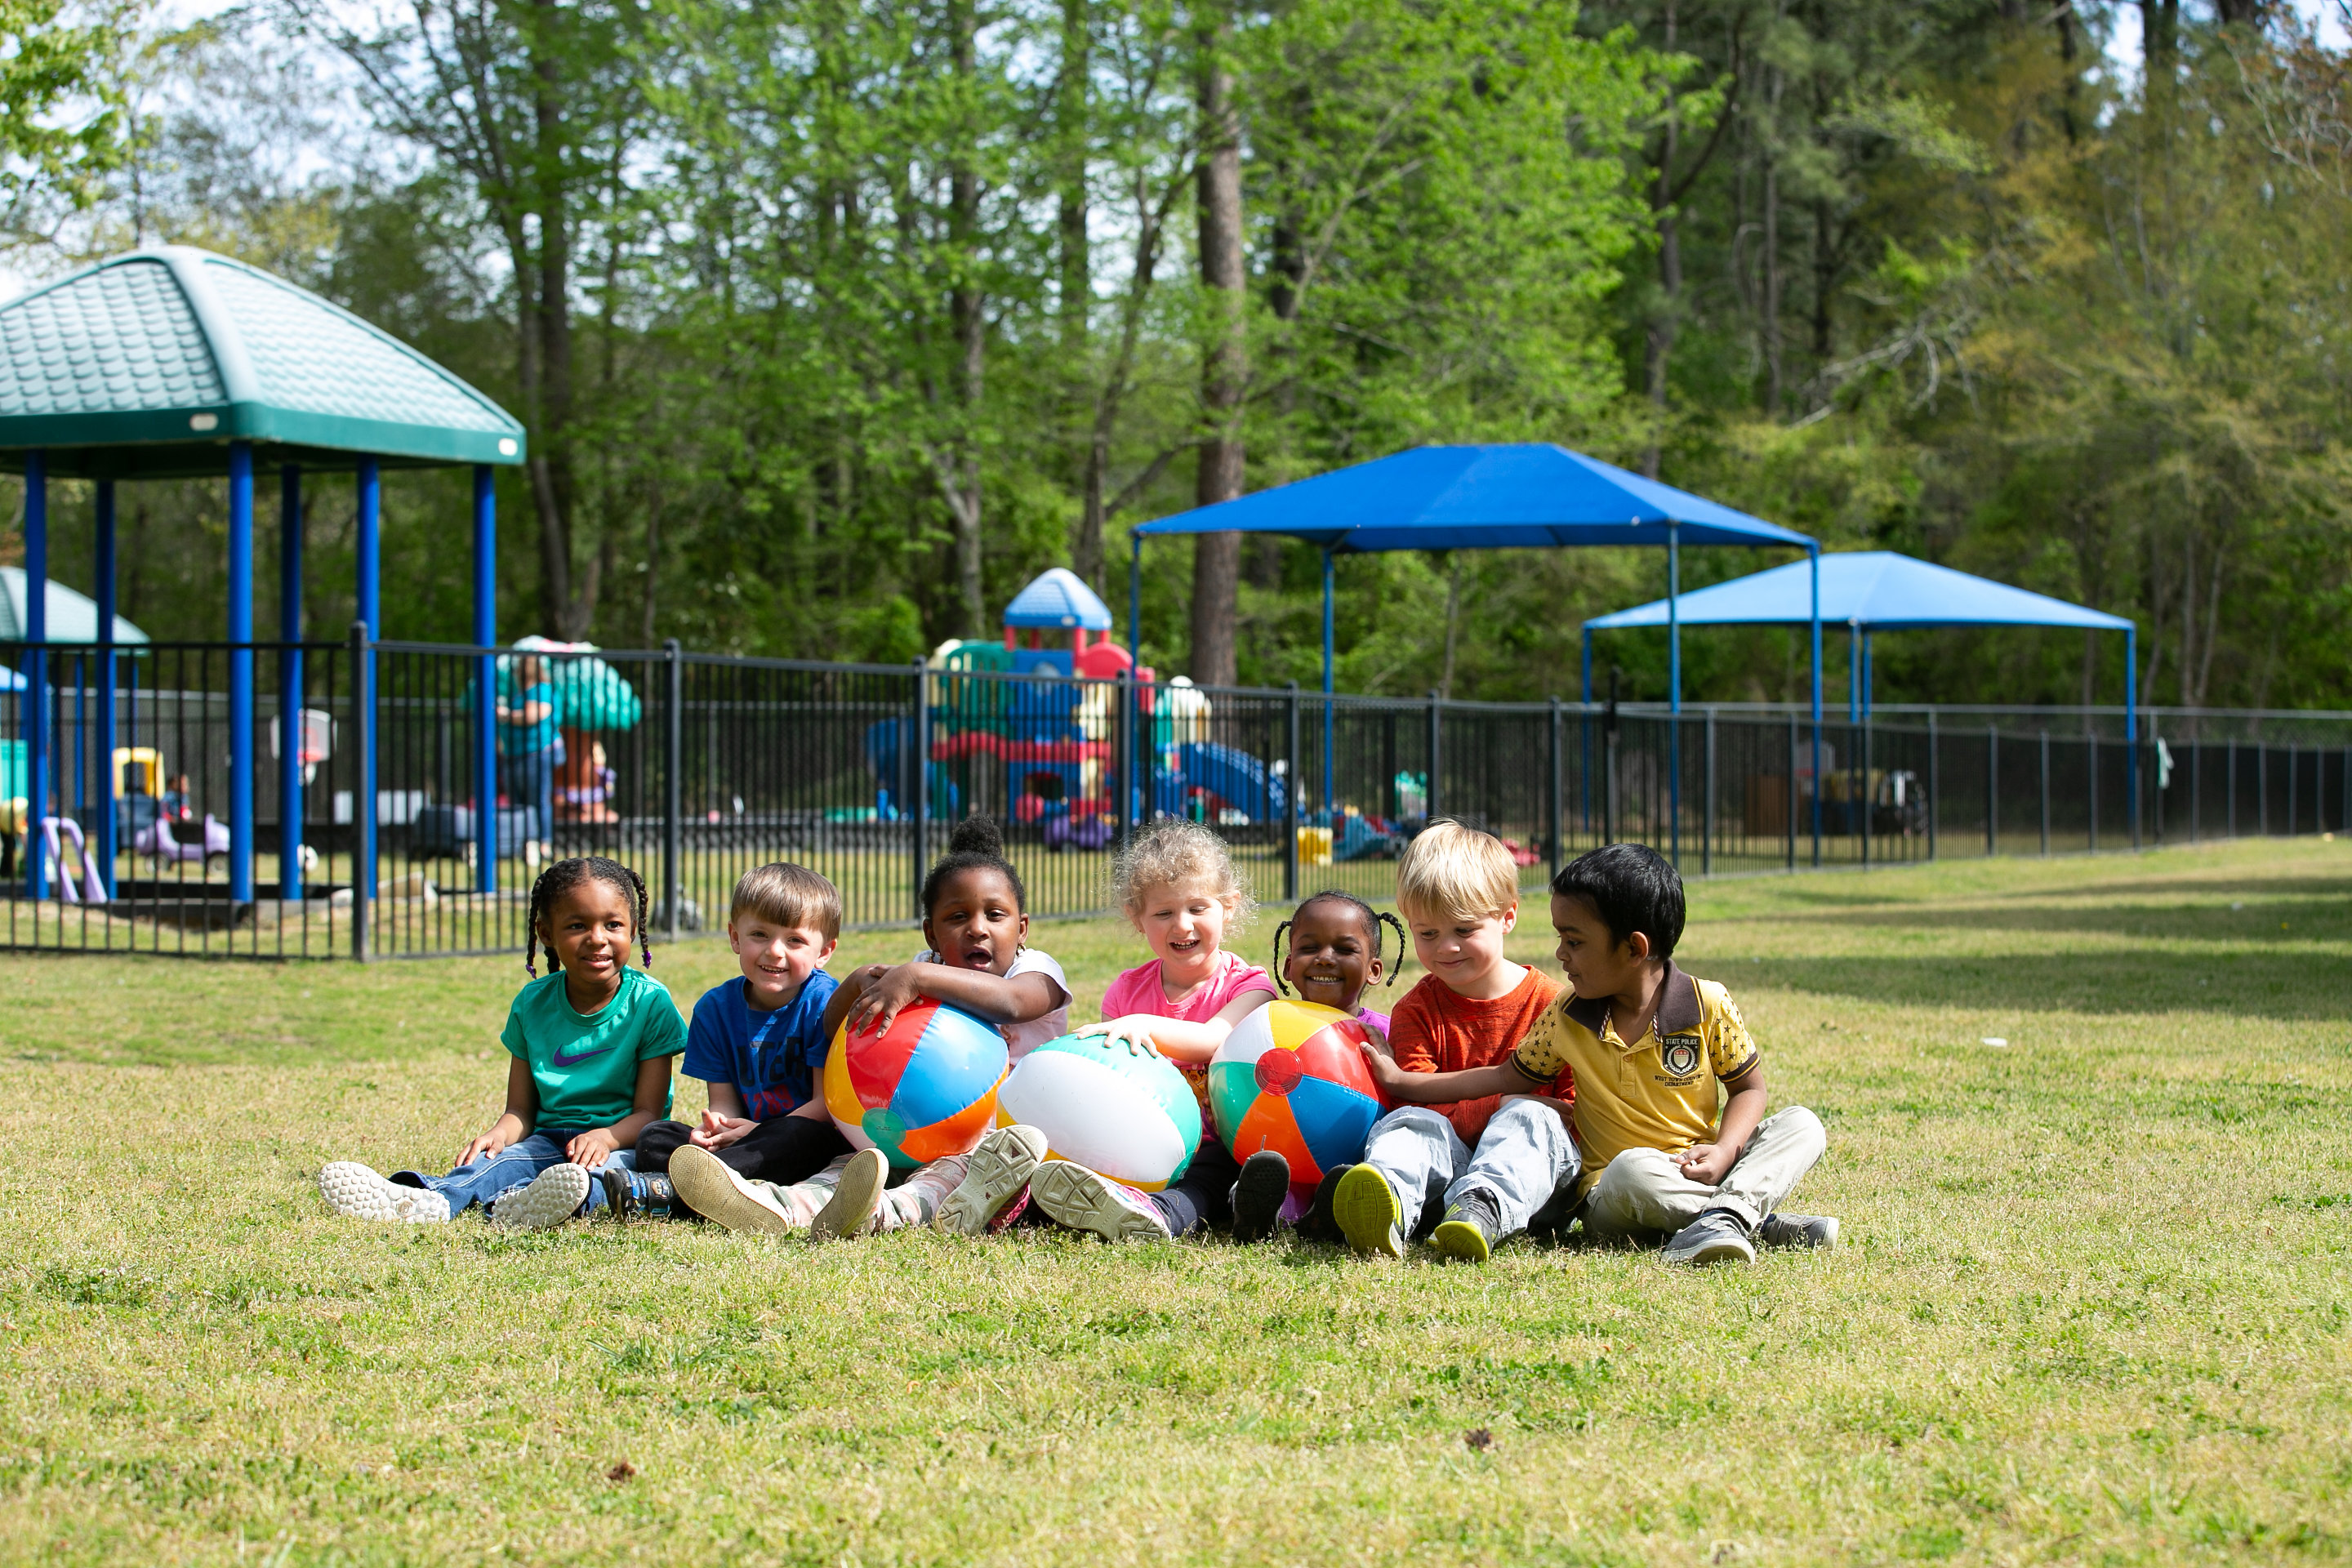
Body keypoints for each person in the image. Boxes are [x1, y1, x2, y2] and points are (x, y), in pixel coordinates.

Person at [1368, 842, 1838, 1266]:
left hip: (1702, 1168)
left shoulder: (1707, 1002)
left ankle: (1730, 1212)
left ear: (1634, 948)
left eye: (1574, 942)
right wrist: (1404, 1083)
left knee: (1802, 1124)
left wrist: (1722, 1150)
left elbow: (1749, 1090)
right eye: (1561, 939)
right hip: (1614, 1187)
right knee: (1632, 1168)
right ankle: (1749, 1219)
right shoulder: (1567, 1015)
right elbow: (1503, 1078)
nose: (1561, 954)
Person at [674, 818, 1071, 1239]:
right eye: (957, 917)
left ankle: (886, 1212)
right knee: (855, 1165)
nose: (977, 927)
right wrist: (858, 981)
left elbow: (1012, 1003)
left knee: (946, 1177)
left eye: (995, 915)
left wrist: (916, 977)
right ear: (931, 934)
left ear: (1022, 928)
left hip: (995, 1141)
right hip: (914, 1129)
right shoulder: (922, 966)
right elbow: (833, 1029)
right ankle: (778, 1205)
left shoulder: (1036, 970)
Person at [317, 855, 685, 1231]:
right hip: (547, 1140)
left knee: (597, 1180)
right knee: (492, 1164)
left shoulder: (650, 1003)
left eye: (613, 924)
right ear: (546, 934)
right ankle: (429, 1200)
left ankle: (518, 1205)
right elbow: (521, 1112)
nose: (597, 938)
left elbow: (649, 1113)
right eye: (577, 925)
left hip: (618, 1145)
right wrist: (497, 1135)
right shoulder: (532, 1004)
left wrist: (604, 1138)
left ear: (633, 928)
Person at [1025, 821, 1276, 1243]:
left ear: (1228, 906)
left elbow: (1216, 1038)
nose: (1181, 926)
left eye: (1198, 908)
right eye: (1163, 913)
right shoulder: (1125, 992)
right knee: (1079, 1153)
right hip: (1130, 1139)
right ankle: (1025, 1201)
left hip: (1214, 1143)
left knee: (1209, 1177)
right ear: (1137, 918)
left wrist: (1141, 1026)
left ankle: (1157, 1216)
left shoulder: (1250, 986)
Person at [1338, 821, 1577, 1263]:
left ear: (1507, 915)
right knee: (1409, 1122)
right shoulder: (1417, 1009)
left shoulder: (1554, 1004)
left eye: (1464, 931)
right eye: (1428, 934)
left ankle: (1481, 1212)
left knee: (1532, 1119)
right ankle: (1384, 1202)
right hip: (1443, 1173)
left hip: (1532, 1181)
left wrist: (1515, 1108)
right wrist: (1502, 1099)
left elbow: (1571, 1114)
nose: (1446, 948)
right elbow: (1427, 1108)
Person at [608, 862, 849, 1223]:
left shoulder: (824, 1004)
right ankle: (721, 1190)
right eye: (760, 935)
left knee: (799, 1134)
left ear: (824, 951)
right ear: (735, 937)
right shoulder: (715, 1009)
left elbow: (824, 1106)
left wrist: (759, 1131)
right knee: (654, 1137)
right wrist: (718, 1131)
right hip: (746, 1142)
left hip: (804, 1138)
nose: (775, 951)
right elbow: (723, 1103)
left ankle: (673, 1193)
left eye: (795, 940)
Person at [1224, 889, 1409, 1243]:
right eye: (1310, 948)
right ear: (1289, 965)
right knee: (1270, 1177)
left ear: (1374, 970)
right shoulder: (1266, 1026)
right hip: (1283, 1154)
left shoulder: (1385, 1034)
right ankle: (1259, 1216)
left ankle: (1331, 1212)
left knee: (1350, 1179)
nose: (1325, 958)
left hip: (1355, 1157)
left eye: (1344, 949)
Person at [497, 653, 562, 862]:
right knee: (517, 802)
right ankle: (523, 842)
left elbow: (534, 716)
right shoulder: (519, 695)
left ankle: (543, 843)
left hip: (537, 754)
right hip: (514, 754)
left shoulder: (542, 690)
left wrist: (505, 715)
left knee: (538, 800)